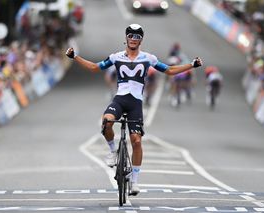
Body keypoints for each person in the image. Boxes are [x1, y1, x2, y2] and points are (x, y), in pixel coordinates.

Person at [65, 24, 203, 195]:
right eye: (131, 36)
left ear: (141, 40)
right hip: (120, 99)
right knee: (106, 121)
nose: (133, 39)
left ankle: (135, 181)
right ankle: (114, 151)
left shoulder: (148, 58)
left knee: (136, 141)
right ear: (126, 38)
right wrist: (75, 56)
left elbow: (169, 70)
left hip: (136, 103)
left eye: (137, 37)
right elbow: (95, 67)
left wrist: (191, 65)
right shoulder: (116, 57)